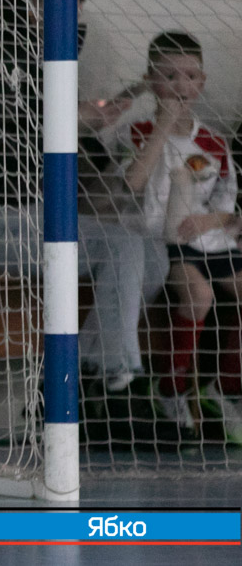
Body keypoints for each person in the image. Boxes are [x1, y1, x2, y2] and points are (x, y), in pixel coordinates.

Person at [0, 0, 169, 440]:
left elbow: (79, 158)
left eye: (82, 0)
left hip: (30, 219)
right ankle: (117, 383)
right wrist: (70, 120)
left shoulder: (46, 63)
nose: (77, 11)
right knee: (122, 247)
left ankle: (77, 379)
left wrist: (114, 112)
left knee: (154, 256)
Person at [111, 31, 242, 439]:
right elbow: (132, 182)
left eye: (189, 75)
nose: (180, 85)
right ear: (151, 81)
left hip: (208, 240)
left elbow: (228, 205)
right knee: (199, 295)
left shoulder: (213, 141)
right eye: (169, 76)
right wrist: (164, 125)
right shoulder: (135, 132)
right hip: (161, 241)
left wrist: (211, 221)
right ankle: (170, 388)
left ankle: (226, 386)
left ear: (202, 82)